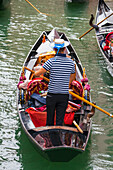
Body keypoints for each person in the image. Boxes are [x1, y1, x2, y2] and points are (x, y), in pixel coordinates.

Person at [33, 38, 75, 126]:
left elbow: (38, 74)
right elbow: (72, 77)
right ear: (64, 49)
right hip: (64, 95)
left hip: (52, 94)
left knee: (50, 118)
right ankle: (58, 131)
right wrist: (66, 85)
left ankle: (50, 132)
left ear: (54, 49)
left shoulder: (50, 61)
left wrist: (35, 72)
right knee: (60, 119)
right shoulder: (71, 63)